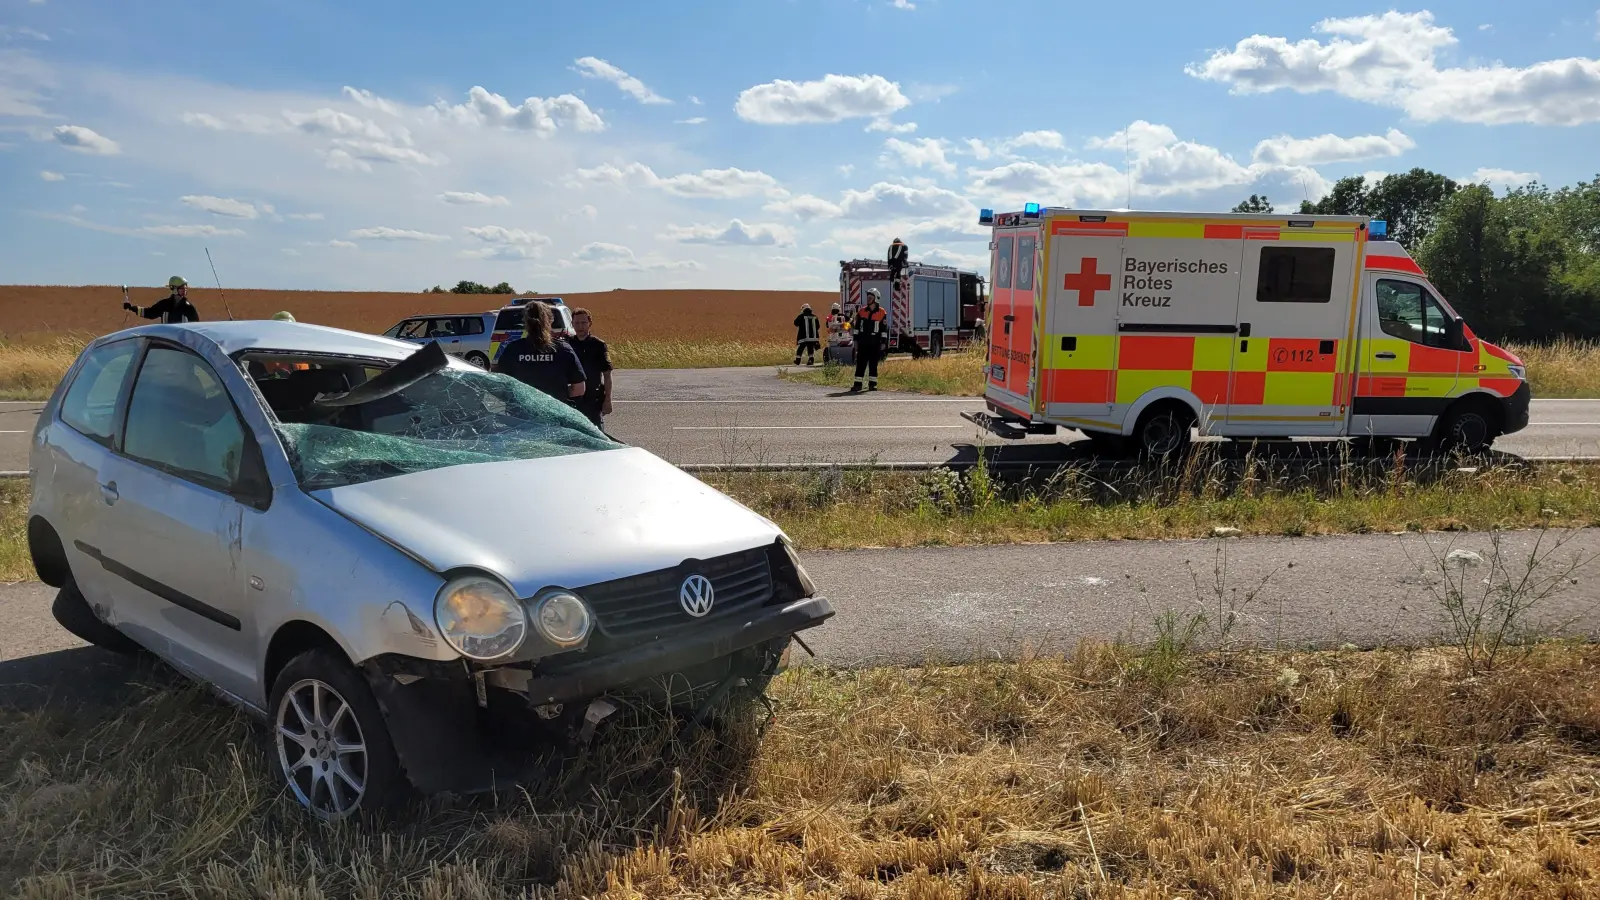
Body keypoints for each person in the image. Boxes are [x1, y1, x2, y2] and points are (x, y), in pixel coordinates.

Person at [492, 301, 587, 405]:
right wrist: (558, 393)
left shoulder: (512, 349)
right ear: (550, 321)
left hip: (520, 415)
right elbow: (579, 389)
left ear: (525, 322)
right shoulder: (563, 349)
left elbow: (498, 384)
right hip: (554, 414)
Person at [568, 307, 613, 430]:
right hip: (572, 399)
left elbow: (607, 375)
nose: (580, 326)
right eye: (577, 323)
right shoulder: (567, 345)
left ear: (590, 323)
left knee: (596, 432)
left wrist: (608, 400)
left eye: (583, 323)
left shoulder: (598, 345)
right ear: (572, 324)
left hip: (593, 399)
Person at [851, 288, 888, 393]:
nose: (868, 299)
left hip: (875, 342)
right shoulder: (862, 311)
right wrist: (856, 341)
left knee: (873, 364)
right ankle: (857, 385)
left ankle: (873, 384)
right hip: (863, 342)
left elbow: (884, 329)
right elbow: (857, 328)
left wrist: (883, 342)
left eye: (870, 298)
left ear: (876, 299)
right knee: (860, 364)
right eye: (868, 297)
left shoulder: (882, 312)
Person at [125, 276, 199, 324]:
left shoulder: (189, 308)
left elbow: (196, 327)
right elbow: (150, 313)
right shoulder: (164, 305)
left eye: (185, 288)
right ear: (174, 288)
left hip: (181, 345)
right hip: (167, 343)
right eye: (182, 288)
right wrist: (132, 308)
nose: (184, 290)